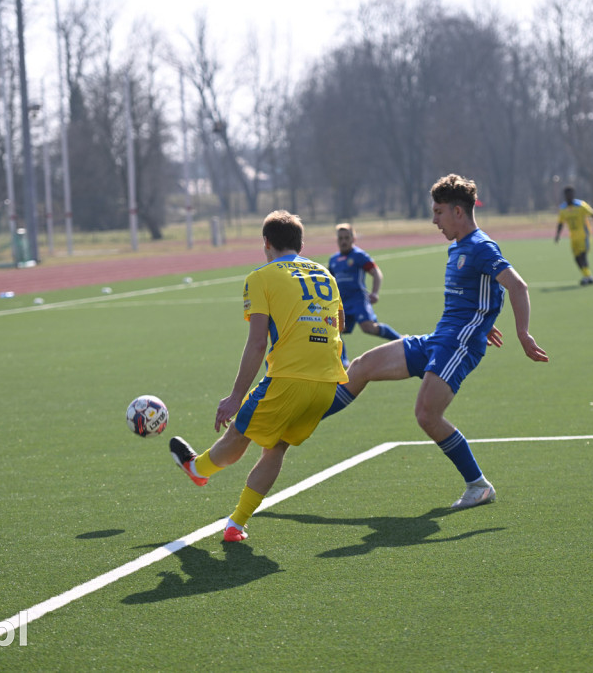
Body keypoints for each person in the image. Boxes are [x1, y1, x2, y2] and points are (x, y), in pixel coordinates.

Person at [323, 174, 549, 509]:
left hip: (458, 346)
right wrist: (485, 318)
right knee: (362, 366)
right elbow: (482, 292)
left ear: (458, 212)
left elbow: (517, 286)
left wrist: (522, 333)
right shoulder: (458, 247)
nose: (433, 220)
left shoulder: (480, 246)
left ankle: (478, 485)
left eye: (438, 212)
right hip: (439, 338)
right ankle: (304, 420)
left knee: (427, 414)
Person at [168, 210, 349, 542]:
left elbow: (256, 343)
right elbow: (340, 324)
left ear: (266, 243)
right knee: (277, 447)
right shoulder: (325, 273)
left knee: (239, 435)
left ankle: (196, 470)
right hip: (327, 382)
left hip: (289, 379)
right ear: (301, 243)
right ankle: (236, 524)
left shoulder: (261, 276)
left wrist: (235, 396)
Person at [328, 223, 402, 366]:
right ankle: (344, 361)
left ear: (353, 239)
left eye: (346, 237)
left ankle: (400, 340)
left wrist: (375, 293)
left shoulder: (359, 256)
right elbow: (329, 280)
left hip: (358, 300)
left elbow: (376, 273)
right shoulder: (333, 260)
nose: (343, 241)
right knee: (335, 330)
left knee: (369, 328)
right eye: (340, 238)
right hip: (342, 302)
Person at [555, 186, 593, 285]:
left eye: (571, 194)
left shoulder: (581, 205)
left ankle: (588, 276)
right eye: (567, 195)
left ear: (573, 195)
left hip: (584, 235)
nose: (569, 196)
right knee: (577, 258)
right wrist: (557, 235)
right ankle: (587, 276)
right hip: (573, 237)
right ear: (565, 196)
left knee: (582, 255)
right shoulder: (563, 209)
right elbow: (561, 223)